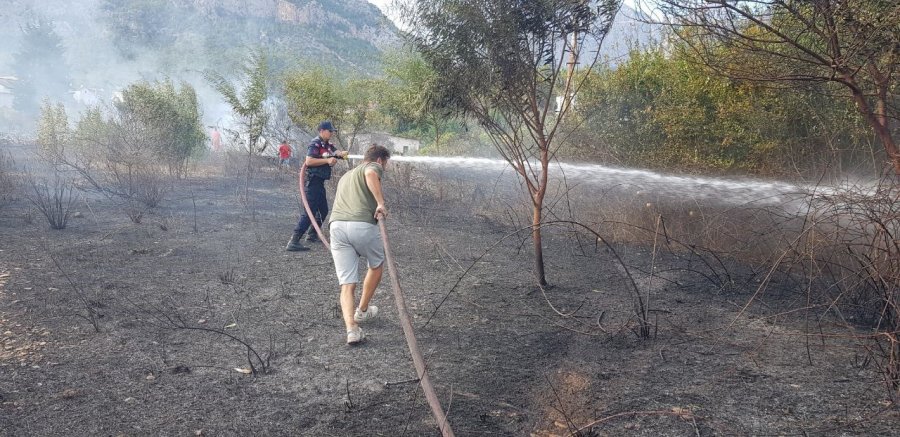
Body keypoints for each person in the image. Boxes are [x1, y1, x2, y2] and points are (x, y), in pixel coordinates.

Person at [329, 144, 391, 344]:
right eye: (386, 164)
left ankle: (352, 330)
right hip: (362, 225)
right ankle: (362, 311)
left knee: (347, 284)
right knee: (376, 265)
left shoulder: (346, 175)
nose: (385, 168)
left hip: (337, 227)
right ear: (380, 160)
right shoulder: (373, 166)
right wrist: (380, 203)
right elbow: (372, 173)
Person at [286, 121, 349, 252]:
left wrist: (341, 153)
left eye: (332, 131)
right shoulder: (315, 143)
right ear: (322, 130)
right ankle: (294, 241)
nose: (332, 133)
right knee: (309, 213)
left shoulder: (327, 144)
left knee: (324, 210)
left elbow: (334, 151)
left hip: (320, 184)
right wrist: (327, 160)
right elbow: (309, 161)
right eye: (330, 131)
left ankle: (312, 234)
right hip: (312, 183)